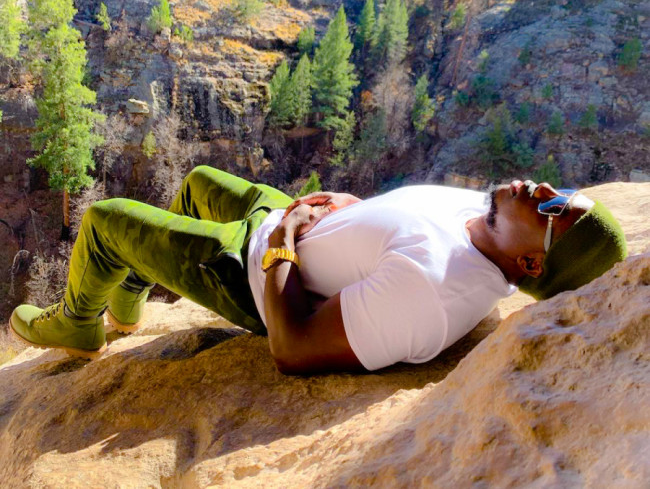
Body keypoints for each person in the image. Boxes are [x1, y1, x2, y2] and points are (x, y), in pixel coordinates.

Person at [10, 166, 627, 375]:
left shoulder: (434, 293)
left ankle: (79, 323)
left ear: (530, 261)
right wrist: (342, 205)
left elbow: (295, 348)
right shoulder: (488, 221)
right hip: (290, 222)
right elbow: (393, 223)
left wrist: (280, 242)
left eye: (553, 208)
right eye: (561, 189)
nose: (543, 187)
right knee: (198, 183)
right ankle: (128, 300)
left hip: (251, 272)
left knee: (105, 219)